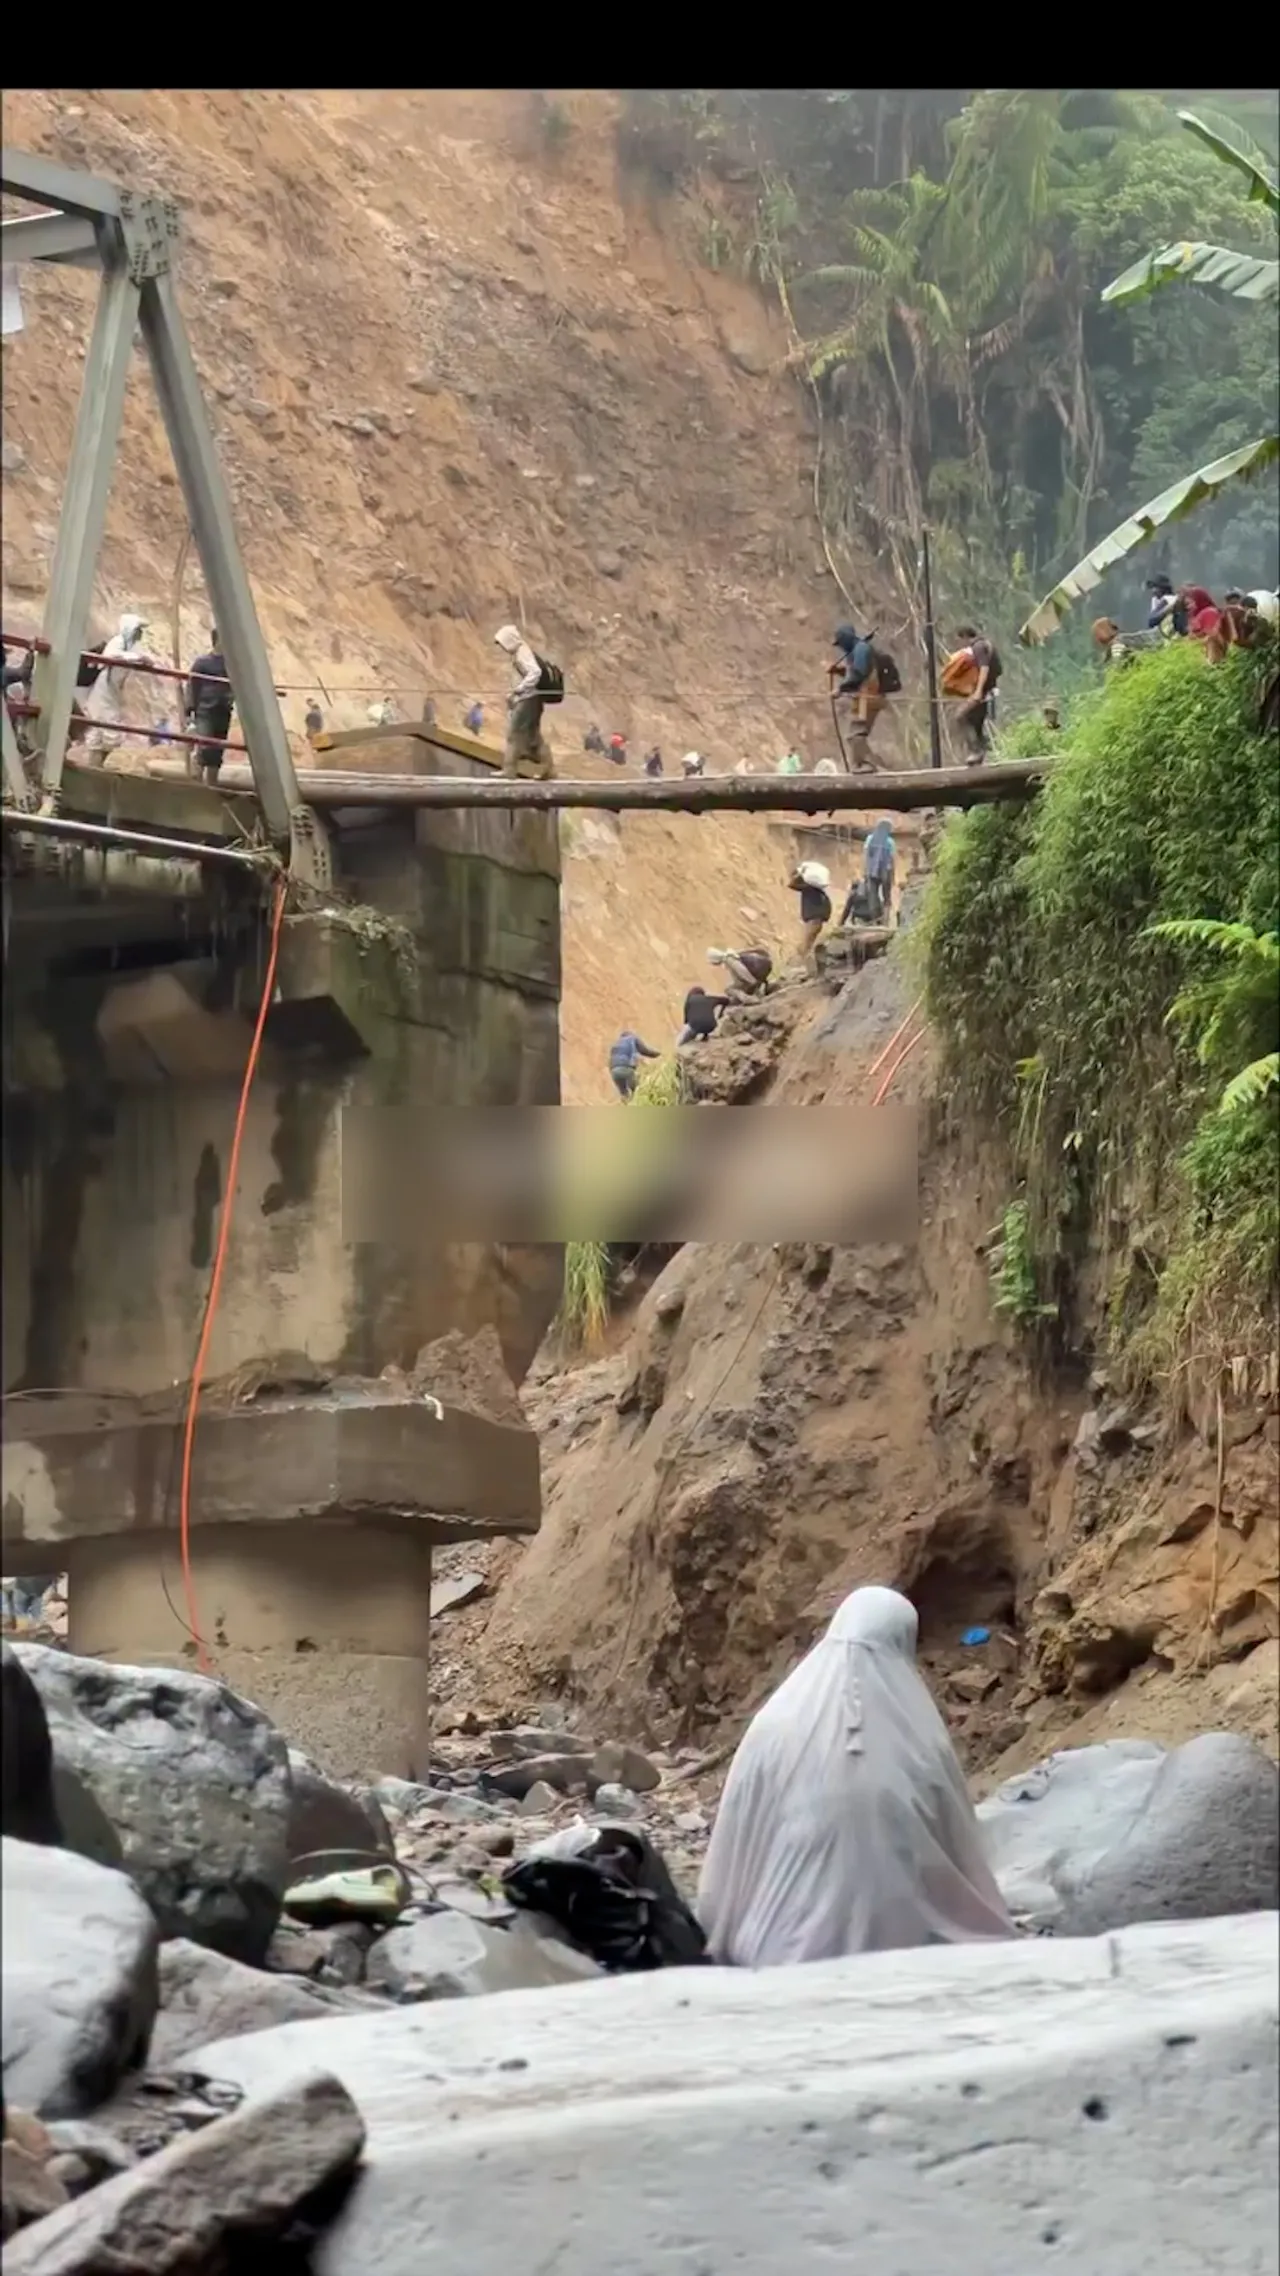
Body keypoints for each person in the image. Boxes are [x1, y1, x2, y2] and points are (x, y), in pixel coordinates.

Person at [696, 1585, 1015, 1968]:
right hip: (899, 1961)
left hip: (775, 1955)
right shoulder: (922, 1741)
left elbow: (734, 1846)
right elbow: (961, 1855)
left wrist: (718, 1930)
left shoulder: (774, 1725)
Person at [82, 611, 162, 762]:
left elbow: (144, 659)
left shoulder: (131, 647)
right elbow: (111, 656)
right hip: (103, 692)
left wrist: (143, 659)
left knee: (104, 733)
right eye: (138, 629)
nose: (140, 633)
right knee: (105, 733)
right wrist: (136, 658)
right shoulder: (118, 642)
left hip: (113, 693)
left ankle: (97, 768)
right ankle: (97, 769)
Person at [494, 623, 561, 779]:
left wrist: (519, 690)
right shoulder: (520, 651)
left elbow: (534, 673)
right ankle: (549, 770)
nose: (503, 648)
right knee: (534, 737)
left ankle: (509, 770)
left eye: (503, 643)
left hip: (529, 699)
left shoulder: (521, 653)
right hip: (533, 698)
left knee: (514, 732)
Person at [941, 625, 1001, 762]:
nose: (959, 645)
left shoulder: (978, 647)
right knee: (976, 722)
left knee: (961, 716)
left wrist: (978, 691)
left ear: (965, 637)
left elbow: (984, 668)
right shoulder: (987, 645)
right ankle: (981, 752)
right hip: (989, 691)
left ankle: (977, 750)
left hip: (982, 692)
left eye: (959, 640)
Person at [183, 626, 234, 784]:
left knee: (216, 753)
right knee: (204, 749)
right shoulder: (203, 663)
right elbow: (192, 687)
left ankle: (212, 788)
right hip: (205, 711)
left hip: (223, 711)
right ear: (218, 640)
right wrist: (189, 712)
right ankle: (196, 784)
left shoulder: (232, 665)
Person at [828, 624, 885, 763]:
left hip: (869, 696)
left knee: (856, 734)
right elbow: (854, 673)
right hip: (863, 697)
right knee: (854, 735)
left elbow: (858, 675)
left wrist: (840, 689)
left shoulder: (861, 649)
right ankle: (863, 764)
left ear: (846, 639)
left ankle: (869, 764)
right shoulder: (855, 651)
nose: (840, 647)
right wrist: (838, 671)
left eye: (841, 643)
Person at [789, 863, 832, 967]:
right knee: (807, 944)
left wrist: (800, 872)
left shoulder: (808, 889)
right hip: (816, 921)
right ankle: (804, 964)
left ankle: (801, 965)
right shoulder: (818, 892)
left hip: (813, 921)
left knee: (805, 945)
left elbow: (792, 884)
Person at [608, 1029, 661, 1100]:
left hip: (614, 1071)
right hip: (626, 1067)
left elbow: (610, 1059)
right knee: (637, 1090)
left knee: (624, 1094)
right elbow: (645, 1051)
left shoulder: (615, 1044)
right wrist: (659, 1054)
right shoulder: (633, 1038)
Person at [862, 818, 896, 922]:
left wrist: (865, 871)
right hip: (886, 871)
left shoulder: (870, 839)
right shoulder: (890, 841)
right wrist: (893, 876)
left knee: (873, 895)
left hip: (871, 871)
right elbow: (892, 860)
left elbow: (866, 856)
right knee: (887, 896)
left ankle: (875, 920)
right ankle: (886, 921)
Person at [707, 945, 772, 997]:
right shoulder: (731, 954)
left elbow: (743, 972)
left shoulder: (730, 960)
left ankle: (750, 999)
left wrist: (752, 983)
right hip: (763, 969)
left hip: (756, 974)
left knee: (729, 989)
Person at [1146, 574, 1187, 639]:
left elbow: (1152, 621)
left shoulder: (1169, 599)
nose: (1153, 591)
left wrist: (1166, 609)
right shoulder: (1157, 600)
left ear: (1163, 588)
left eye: (1155, 587)